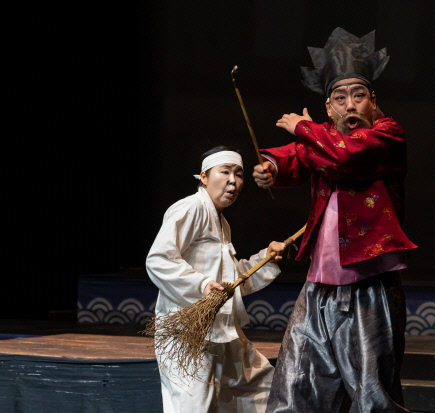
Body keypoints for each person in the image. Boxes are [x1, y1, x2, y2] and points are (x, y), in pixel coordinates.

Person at [252, 28, 418, 412]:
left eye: (358, 95)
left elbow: (346, 155)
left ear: (373, 101)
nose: (350, 105)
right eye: (340, 98)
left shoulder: (387, 135)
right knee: (297, 379)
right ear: (329, 108)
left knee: (371, 389)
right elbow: (300, 156)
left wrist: (303, 128)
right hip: (319, 285)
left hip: (368, 282)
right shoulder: (324, 137)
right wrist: (272, 168)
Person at [146, 146, 286, 413]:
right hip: (188, 331)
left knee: (261, 388)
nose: (233, 181)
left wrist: (265, 259)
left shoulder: (221, 222)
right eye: (225, 172)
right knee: (193, 407)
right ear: (204, 176)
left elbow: (230, 280)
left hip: (220, 330)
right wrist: (201, 284)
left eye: (239, 174)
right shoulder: (191, 208)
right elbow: (159, 259)